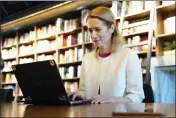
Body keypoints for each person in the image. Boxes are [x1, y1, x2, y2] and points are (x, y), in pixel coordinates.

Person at [68, 6, 144, 104]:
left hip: (118, 113)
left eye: (97, 29)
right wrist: (79, 95)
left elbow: (137, 96)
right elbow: (84, 92)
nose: (93, 35)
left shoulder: (129, 56)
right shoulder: (87, 59)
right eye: (90, 30)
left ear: (111, 28)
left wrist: (114, 99)